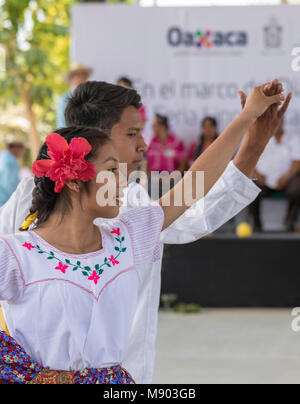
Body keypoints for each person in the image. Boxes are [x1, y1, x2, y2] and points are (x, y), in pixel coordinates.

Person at [0, 80, 291, 383]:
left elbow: (192, 188)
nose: (143, 146)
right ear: (73, 178)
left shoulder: (126, 235)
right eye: (112, 170)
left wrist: (247, 124)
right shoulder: (15, 250)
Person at [249, 119, 300, 232]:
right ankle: (256, 223)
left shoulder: (293, 138)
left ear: (283, 123)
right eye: (274, 121)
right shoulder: (260, 138)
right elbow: (250, 160)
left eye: (279, 121)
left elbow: (297, 162)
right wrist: (258, 174)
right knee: (251, 187)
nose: (276, 124)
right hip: (263, 180)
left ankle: (290, 220)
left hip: (286, 180)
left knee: (297, 187)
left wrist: (286, 177)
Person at [56, 63, 93, 128]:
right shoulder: (64, 98)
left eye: (83, 76)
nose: (81, 79)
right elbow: (61, 121)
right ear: (71, 79)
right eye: (77, 76)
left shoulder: (91, 95)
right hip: (71, 133)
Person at [0, 136, 25, 207]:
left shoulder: (3, 156)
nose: (22, 152)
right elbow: (9, 185)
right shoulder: (11, 161)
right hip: (4, 200)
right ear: (15, 148)